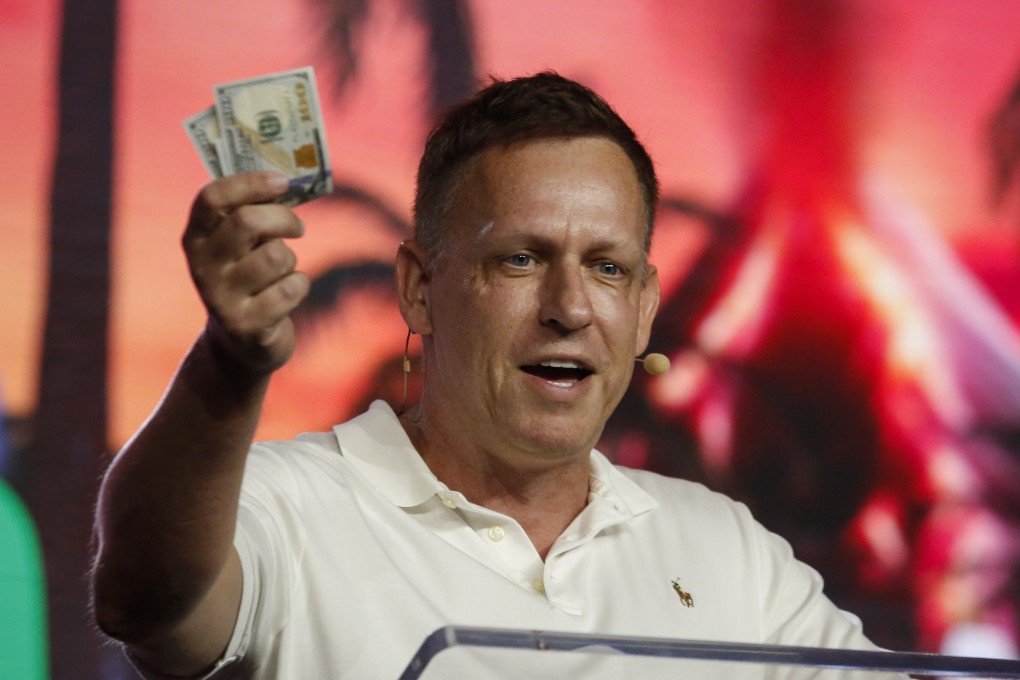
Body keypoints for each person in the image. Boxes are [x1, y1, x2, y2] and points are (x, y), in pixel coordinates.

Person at [92, 72, 881, 679]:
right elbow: (145, 599)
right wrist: (229, 366)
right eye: (521, 259)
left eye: (606, 268)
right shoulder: (286, 507)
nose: (569, 306)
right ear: (419, 288)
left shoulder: (725, 548)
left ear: (644, 310)